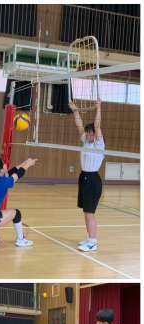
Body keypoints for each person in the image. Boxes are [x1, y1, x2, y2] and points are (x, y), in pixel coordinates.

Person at [69, 100, 104, 252]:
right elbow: (79, 126)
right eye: (88, 132)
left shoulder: (99, 144)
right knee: (86, 212)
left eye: (91, 133)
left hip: (93, 180)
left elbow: (97, 125)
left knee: (90, 213)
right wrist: (75, 110)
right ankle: (89, 237)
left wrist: (98, 108)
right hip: (83, 178)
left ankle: (93, 242)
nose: (89, 134)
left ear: (95, 134)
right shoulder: (85, 142)